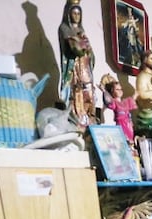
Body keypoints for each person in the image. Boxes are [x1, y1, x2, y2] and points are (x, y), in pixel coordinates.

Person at [58, 0, 95, 129]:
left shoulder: (81, 30)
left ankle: (89, 117)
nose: (76, 16)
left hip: (85, 66)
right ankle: (77, 119)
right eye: (74, 13)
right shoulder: (65, 28)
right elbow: (76, 50)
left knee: (89, 91)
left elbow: (88, 51)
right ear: (68, 14)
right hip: (74, 67)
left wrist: (86, 47)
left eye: (79, 14)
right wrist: (82, 43)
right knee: (76, 92)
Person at [99, 73, 135, 142]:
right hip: (121, 128)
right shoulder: (113, 103)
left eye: (121, 89)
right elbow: (108, 102)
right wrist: (104, 91)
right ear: (112, 91)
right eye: (117, 89)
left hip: (128, 127)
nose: (120, 91)